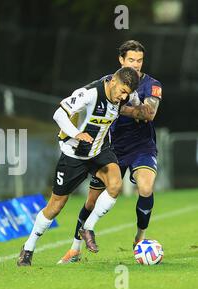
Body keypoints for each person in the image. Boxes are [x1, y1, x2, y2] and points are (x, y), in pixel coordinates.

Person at [17, 67, 140, 267]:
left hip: (99, 152)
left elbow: (135, 101)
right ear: (114, 81)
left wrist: (141, 110)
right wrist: (76, 134)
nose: (123, 97)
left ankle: (88, 227)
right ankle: (28, 248)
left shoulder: (126, 95)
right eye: (122, 91)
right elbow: (59, 114)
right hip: (73, 155)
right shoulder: (90, 94)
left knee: (115, 185)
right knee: (55, 206)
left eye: (127, 93)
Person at [58, 40, 163, 264]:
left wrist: (120, 103)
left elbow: (149, 114)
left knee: (146, 187)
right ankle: (75, 248)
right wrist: (134, 108)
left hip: (141, 146)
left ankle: (140, 238)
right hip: (110, 146)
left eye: (140, 60)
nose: (136, 64)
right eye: (131, 60)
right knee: (91, 201)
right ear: (121, 61)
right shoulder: (107, 82)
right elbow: (87, 99)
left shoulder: (153, 85)